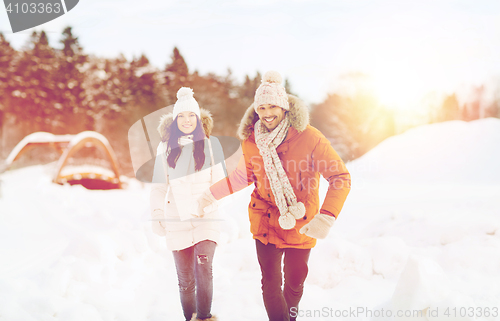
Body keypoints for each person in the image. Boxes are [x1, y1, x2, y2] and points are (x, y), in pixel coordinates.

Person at [199, 71, 351, 321]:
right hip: (265, 219)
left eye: (272, 106)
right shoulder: (251, 141)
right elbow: (241, 177)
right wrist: (210, 195)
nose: (267, 113)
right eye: (261, 107)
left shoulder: (310, 138)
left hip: (301, 222)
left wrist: (326, 216)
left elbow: (340, 177)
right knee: (270, 284)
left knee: (294, 284)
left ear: (284, 106)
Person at [150, 87, 225, 321]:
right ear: (174, 121)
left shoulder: (212, 146)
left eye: (191, 115)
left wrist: (206, 203)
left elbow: (221, 184)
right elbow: (159, 187)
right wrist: (157, 213)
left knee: (204, 268)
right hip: (176, 220)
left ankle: (204, 318)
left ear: (198, 118)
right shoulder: (165, 149)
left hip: (205, 218)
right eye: (181, 116)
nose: (186, 120)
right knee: (185, 282)